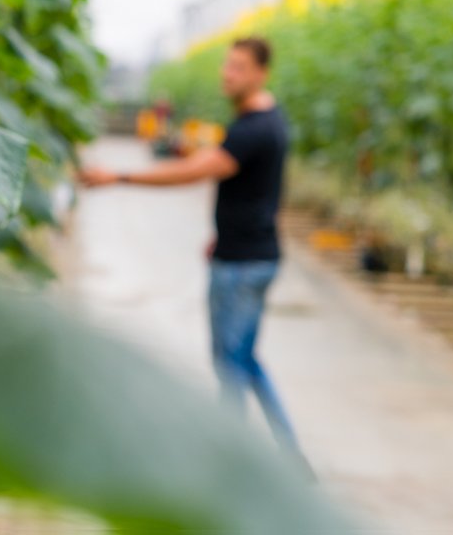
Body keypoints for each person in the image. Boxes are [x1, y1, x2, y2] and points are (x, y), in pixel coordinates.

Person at [78, 37, 307, 465]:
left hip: (241, 265)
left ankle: (229, 465)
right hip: (252, 254)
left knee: (230, 365)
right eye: (227, 65)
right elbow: (258, 191)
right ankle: (290, 456)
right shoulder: (267, 120)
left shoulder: (253, 129)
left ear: (261, 73)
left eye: (238, 67)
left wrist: (120, 178)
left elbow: (195, 170)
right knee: (245, 360)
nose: (227, 74)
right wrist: (225, 231)